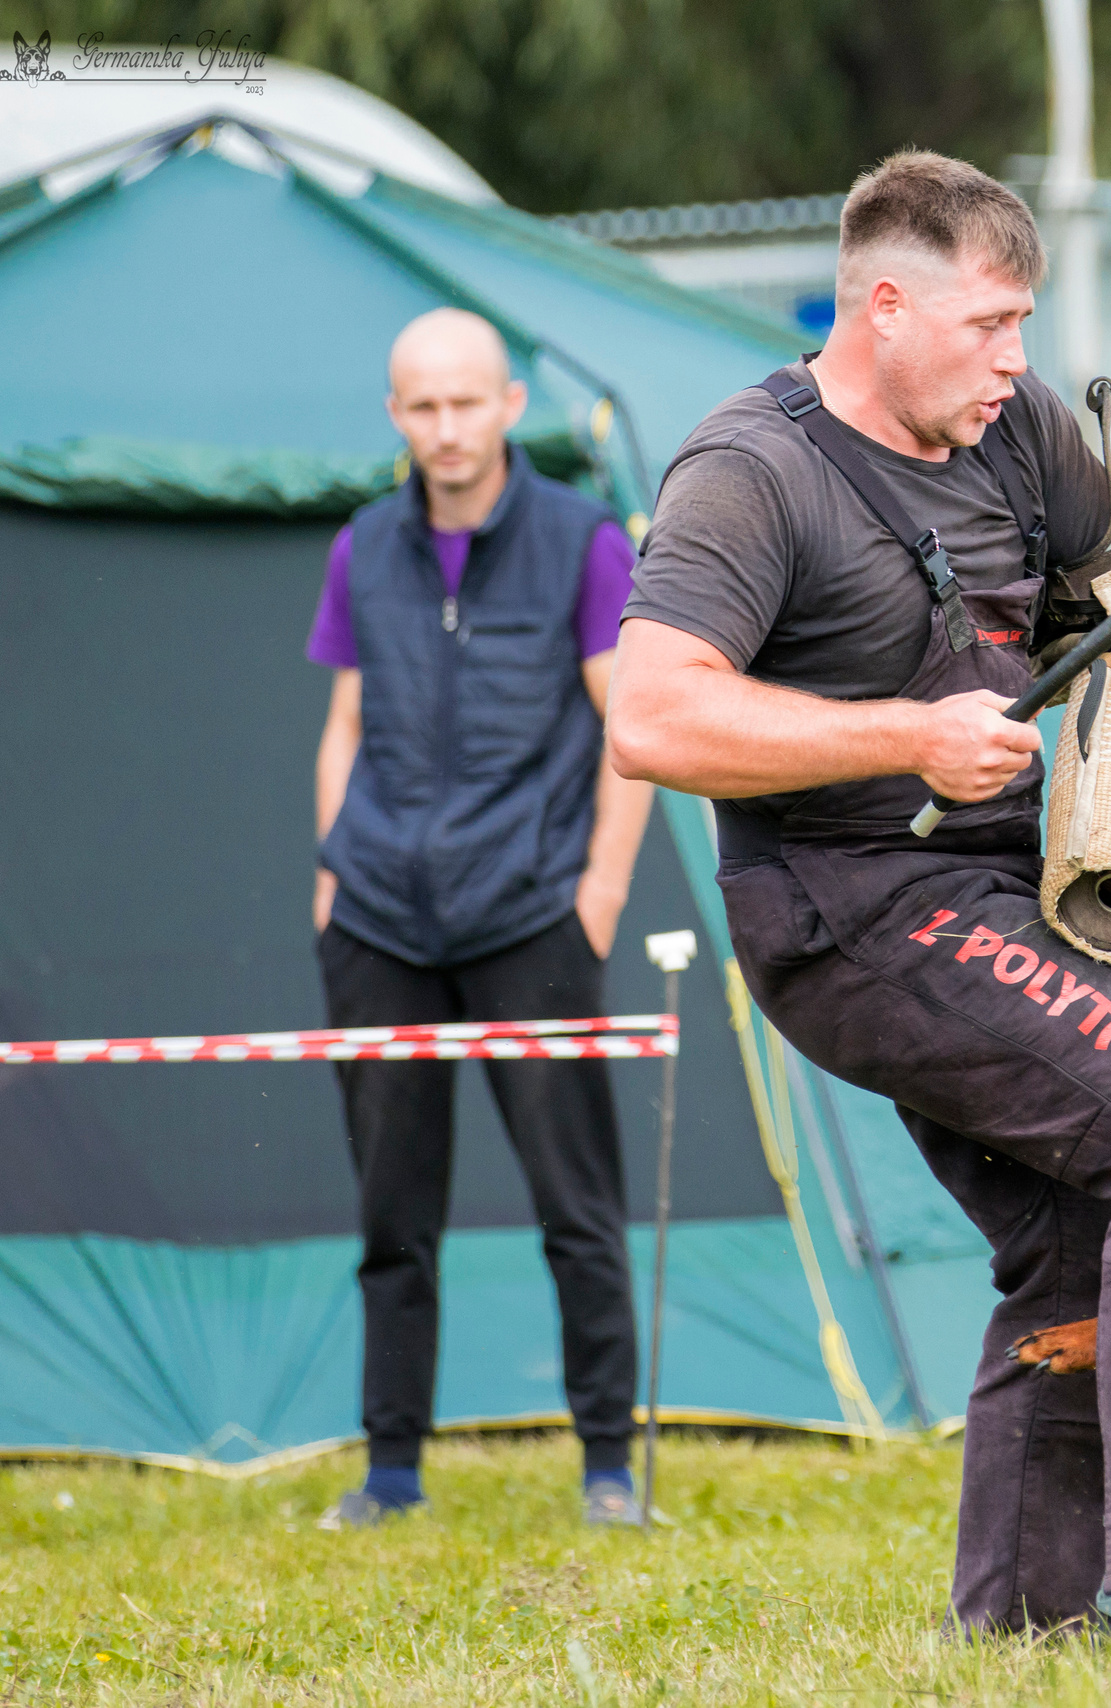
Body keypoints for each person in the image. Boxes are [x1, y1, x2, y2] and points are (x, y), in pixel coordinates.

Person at [607, 152, 1111, 1650]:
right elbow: (652, 718)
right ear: (886, 307)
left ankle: (1033, 1623)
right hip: (850, 908)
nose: (1017, 357)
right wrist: (907, 736)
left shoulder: (1020, 429)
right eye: (990, 323)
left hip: (1000, 893)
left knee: (1084, 1230)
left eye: (1025, 322)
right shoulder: (750, 473)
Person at [307, 308, 658, 1530]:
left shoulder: (583, 541)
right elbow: (345, 723)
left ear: (509, 404)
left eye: (467, 401)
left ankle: (607, 1465)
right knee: (390, 1214)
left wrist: (597, 898)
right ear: (395, 415)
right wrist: (328, 881)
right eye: (423, 405)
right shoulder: (362, 545)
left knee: (577, 1205)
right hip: (377, 923)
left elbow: (630, 731)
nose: (447, 426)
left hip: (532, 920)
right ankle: (390, 1471)